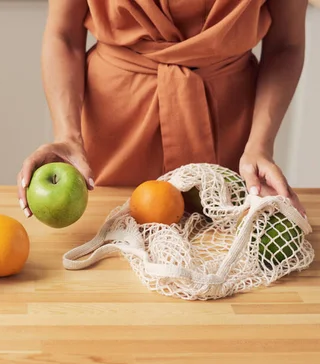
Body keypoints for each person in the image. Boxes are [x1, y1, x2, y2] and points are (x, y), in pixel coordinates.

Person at [17, 0, 308, 218]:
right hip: (114, 124)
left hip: (229, 126)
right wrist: (68, 135)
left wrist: (260, 146)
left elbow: (286, 44)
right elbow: (63, 36)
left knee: (217, 239)